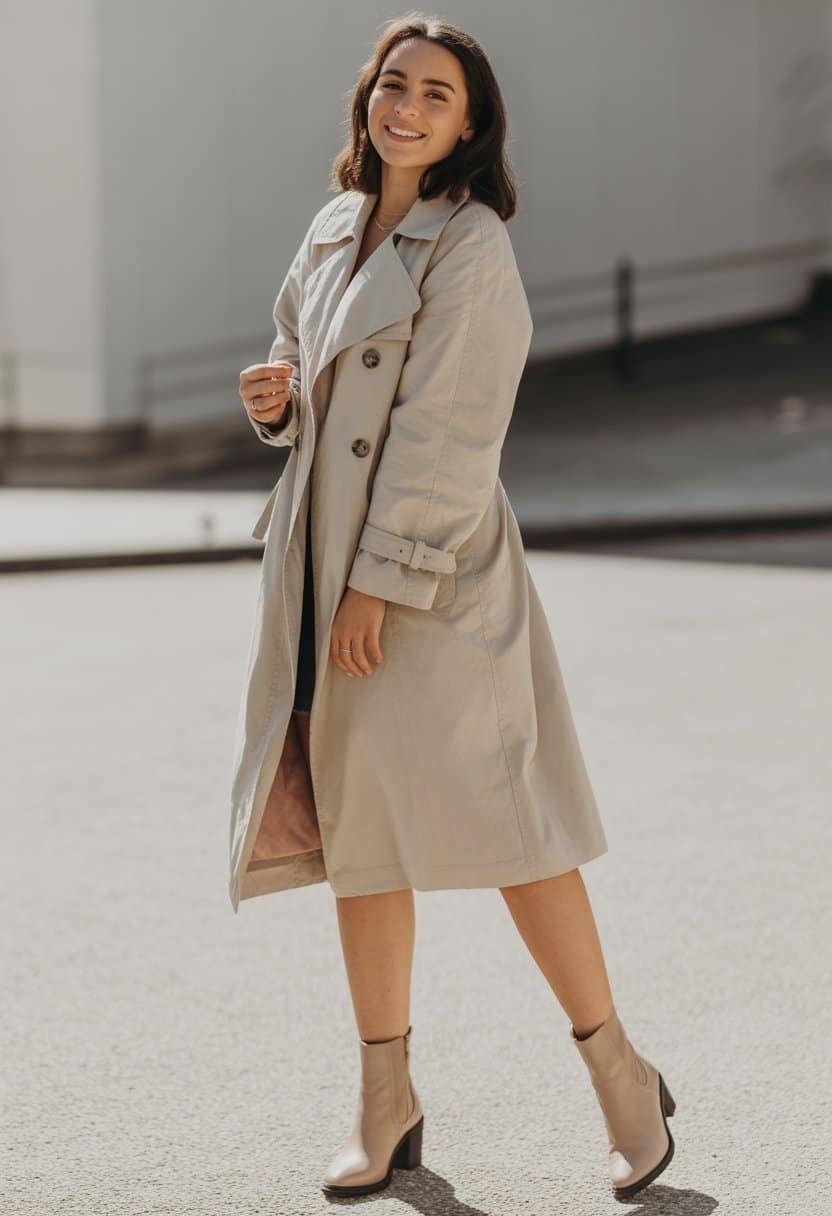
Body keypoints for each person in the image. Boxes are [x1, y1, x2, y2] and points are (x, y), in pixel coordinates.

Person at [236, 14, 677, 1202]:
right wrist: (273, 401)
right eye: (394, 83)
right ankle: (386, 1102)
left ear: (470, 124)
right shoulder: (332, 228)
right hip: (328, 568)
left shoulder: (470, 243)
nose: (408, 105)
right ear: (366, 100)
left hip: (428, 576)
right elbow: (296, 360)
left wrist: (379, 582)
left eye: (436, 92)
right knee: (363, 841)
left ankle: (619, 1075)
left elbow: (449, 429)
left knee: (512, 830)